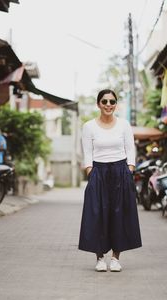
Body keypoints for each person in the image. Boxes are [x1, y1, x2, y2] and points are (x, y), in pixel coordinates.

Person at [78, 89, 142, 272]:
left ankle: (115, 258)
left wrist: (129, 169)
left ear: (115, 104)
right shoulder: (89, 126)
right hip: (99, 171)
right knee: (97, 214)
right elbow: (87, 152)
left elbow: (130, 149)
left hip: (121, 171)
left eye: (112, 101)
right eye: (104, 101)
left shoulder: (124, 124)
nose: (108, 105)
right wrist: (91, 171)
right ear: (98, 104)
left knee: (119, 214)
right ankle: (99, 258)